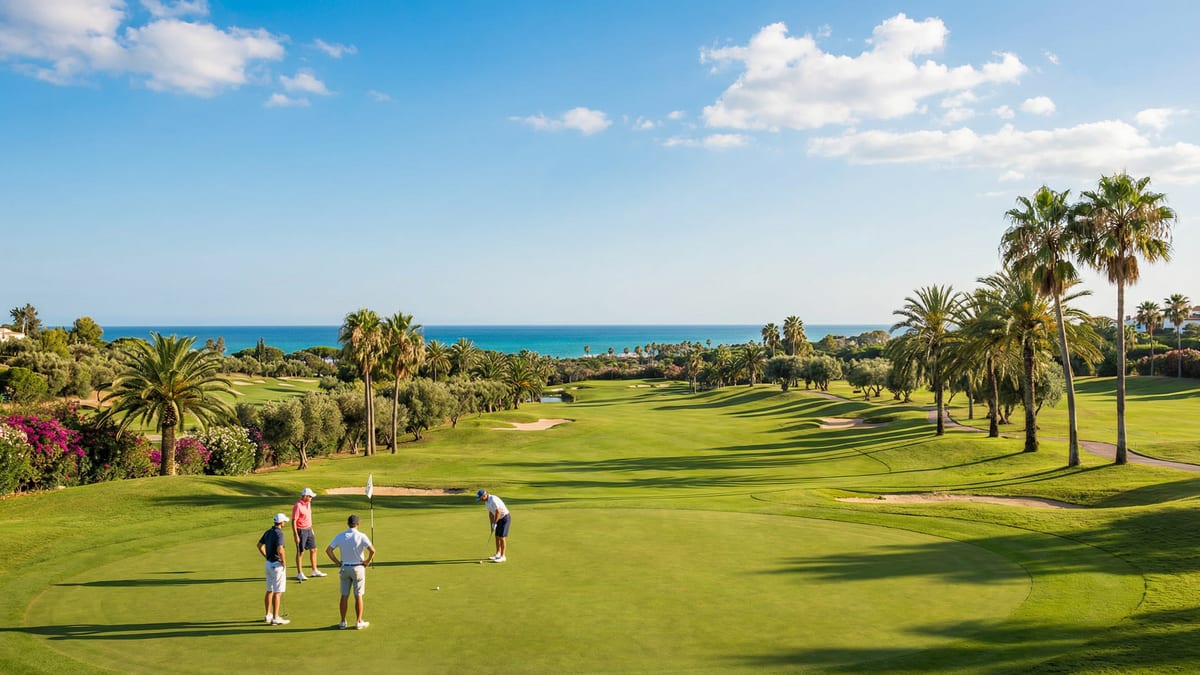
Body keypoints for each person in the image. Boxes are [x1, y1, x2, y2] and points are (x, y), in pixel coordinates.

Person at [325, 514, 376, 629]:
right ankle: (358, 622)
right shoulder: (361, 536)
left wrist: (337, 563)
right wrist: (367, 561)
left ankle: (343, 622)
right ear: (358, 524)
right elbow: (372, 550)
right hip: (358, 568)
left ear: (348, 524)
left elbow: (328, 550)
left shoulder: (341, 536)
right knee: (358, 596)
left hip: (344, 568)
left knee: (344, 595)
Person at [257, 513, 292, 625]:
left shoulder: (268, 532)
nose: (285, 523)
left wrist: (266, 556)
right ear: (281, 523)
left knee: (269, 590)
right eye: (284, 521)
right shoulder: (279, 533)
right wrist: (284, 561)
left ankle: (268, 615)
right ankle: (275, 618)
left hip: (268, 564)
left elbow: (259, 545)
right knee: (277, 592)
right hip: (277, 565)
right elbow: (280, 549)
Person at [292, 487, 327, 582]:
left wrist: (311, 529)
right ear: (305, 496)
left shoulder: (308, 503)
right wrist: (295, 535)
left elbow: (309, 517)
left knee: (314, 549)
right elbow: (294, 521)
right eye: (310, 496)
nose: (311, 498)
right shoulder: (298, 506)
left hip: (309, 530)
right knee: (301, 552)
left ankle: (314, 570)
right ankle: (299, 573)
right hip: (301, 531)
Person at [476, 489, 510, 562]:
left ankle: (503, 556)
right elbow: (491, 513)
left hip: (504, 517)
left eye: (481, 498)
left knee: (501, 537)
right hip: (498, 518)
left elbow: (498, 512)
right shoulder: (486, 502)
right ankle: (498, 553)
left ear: (484, 495)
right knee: (497, 536)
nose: (481, 500)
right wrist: (492, 525)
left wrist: (495, 523)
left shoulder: (493, 500)